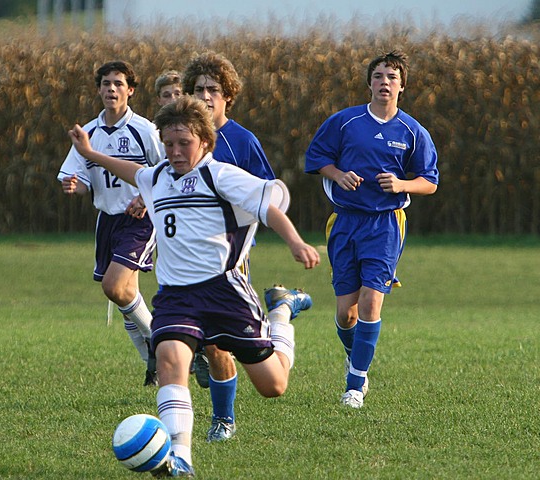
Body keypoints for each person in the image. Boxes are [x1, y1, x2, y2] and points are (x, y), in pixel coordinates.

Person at [69, 95, 321, 477]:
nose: (174, 151)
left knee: (274, 385)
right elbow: (132, 171)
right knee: (171, 360)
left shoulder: (220, 175)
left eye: (183, 143)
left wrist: (295, 241)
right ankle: (180, 456)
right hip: (175, 295)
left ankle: (282, 310)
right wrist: (89, 152)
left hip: (225, 293)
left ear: (205, 141)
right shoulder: (157, 177)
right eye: (168, 143)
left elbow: (268, 206)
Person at [181, 50, 311, 442]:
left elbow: (268, 198)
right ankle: (223, 420)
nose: (206, 95)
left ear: (228, 97)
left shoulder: (241, 141)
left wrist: (288, 238)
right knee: (213, 345)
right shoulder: (178, 141)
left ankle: (283, 311)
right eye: (199, 89)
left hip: (231, 263)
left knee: (251, 362)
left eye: (213, 90)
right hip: (186, 261)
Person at [305, 50, 439, 409]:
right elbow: (316, 159)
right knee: (345, 314)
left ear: (402, 86)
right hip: (345, 221)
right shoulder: (344, 122)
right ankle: (358, 357)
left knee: (370, 301)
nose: (385, 83)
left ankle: (354, 384)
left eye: (392, 77)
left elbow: (429, 182)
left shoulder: (413, 131)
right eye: (379, 76)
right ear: (369, 83)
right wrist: (338, 174)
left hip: (385, 225)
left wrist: (401, 184)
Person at [57, 60, 164, 386]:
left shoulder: (144, 130)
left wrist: (145, 198)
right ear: (99, 89)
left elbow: (167, 173)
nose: (111, 89)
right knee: (125, 295)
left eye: (118, 83)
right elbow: (81, 177)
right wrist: (76, 186)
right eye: (106, 83)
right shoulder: (87, 133)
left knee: (115, 287)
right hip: (107, 220)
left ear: (130, 90)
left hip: (140, 220)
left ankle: (161, 345)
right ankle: (153, 364)